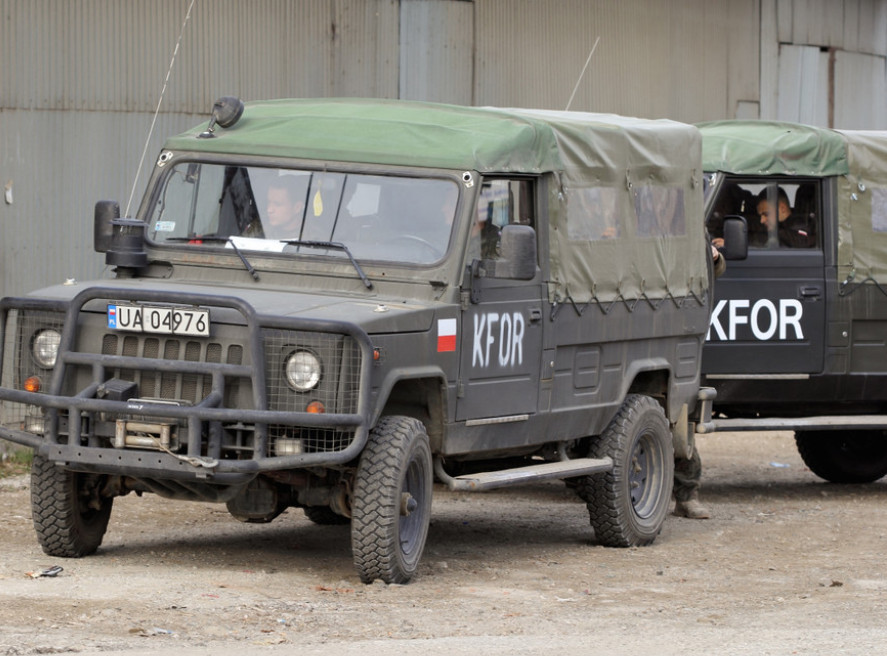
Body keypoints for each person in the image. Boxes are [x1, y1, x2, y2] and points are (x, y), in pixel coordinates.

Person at [673, 241, 723, 520]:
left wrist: (713, 257)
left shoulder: (687, 225)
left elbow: (714, 266)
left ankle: (686, 495)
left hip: (682, 328)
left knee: (682, 420)